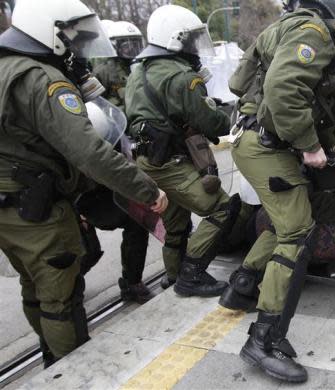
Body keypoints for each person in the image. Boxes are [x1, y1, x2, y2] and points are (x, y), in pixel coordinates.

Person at [226, 0, 335, 382]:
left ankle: (241, 285)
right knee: (297, 230)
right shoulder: (316, 33)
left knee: (290, 220)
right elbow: (284, 90)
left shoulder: (314, 34)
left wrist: (328, 145)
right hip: (265, 144)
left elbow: (311, 104)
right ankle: (263, 340)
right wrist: (309, 146)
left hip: (263, 141)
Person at [0, 0, 168, 367]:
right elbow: (90, 152)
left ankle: (50, 354)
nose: (76, 49)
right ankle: (71, 370)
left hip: (11, 208)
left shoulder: (5, 68)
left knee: (34, 287)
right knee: (62, 298)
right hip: (37, 208)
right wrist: (147, 190)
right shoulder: (42, 79)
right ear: (50, 32)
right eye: (70, 39)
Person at [126, 4, 240, 296]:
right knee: (222, 207)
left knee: (175, 222)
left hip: (145, 160)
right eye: (190, 40)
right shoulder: (182, 77)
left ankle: (173, 274)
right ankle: (191, 275)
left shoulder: (137, 71)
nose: (194, 47)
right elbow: (213, 122)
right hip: (170, 162)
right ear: (175, 40)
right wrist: (229, 112)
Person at [75, 20, 154, 303]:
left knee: (136, 222)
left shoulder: (129, 70)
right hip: (69, 190)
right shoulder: (102, 71)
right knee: (86, 252)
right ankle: (65, 290)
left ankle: (131, 282)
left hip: (105, 155)